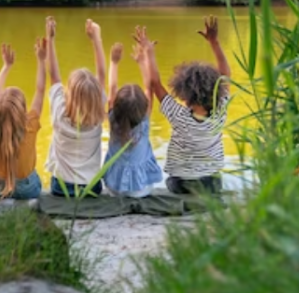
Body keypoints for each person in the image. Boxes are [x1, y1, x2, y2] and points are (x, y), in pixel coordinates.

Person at [134, 16, 231, 195]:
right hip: (211, 184)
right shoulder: (221, 110)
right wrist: (214, 42)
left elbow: (155, 84)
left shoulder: (178, 115)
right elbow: (225, 76)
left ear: (184, 94)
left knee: (172, 181)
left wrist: (148, 52)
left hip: (181, 184)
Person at [44, 16, 106, 197]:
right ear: (96, 95)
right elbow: (101, 74)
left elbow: (54, 75)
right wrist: (96, 39)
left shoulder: (59, 113)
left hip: (60, 187)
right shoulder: (98, 113)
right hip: (92, 188)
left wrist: (50, 39)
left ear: (69, 94)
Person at [0, 38, 47, 199]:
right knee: (35, 178)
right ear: (22, 111)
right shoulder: (30, 125)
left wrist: (6, 67)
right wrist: (41, 61)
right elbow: (40, 90)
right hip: (28, 189)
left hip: (1, 187)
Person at [102, 42, 163, 197]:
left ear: (115, 106)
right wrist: (142, 61)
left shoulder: (112, 119)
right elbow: (149, 88)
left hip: (115, 189)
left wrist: (114, 62)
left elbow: (112, 89)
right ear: (144, 107)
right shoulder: (145, 122)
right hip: (142, 190)